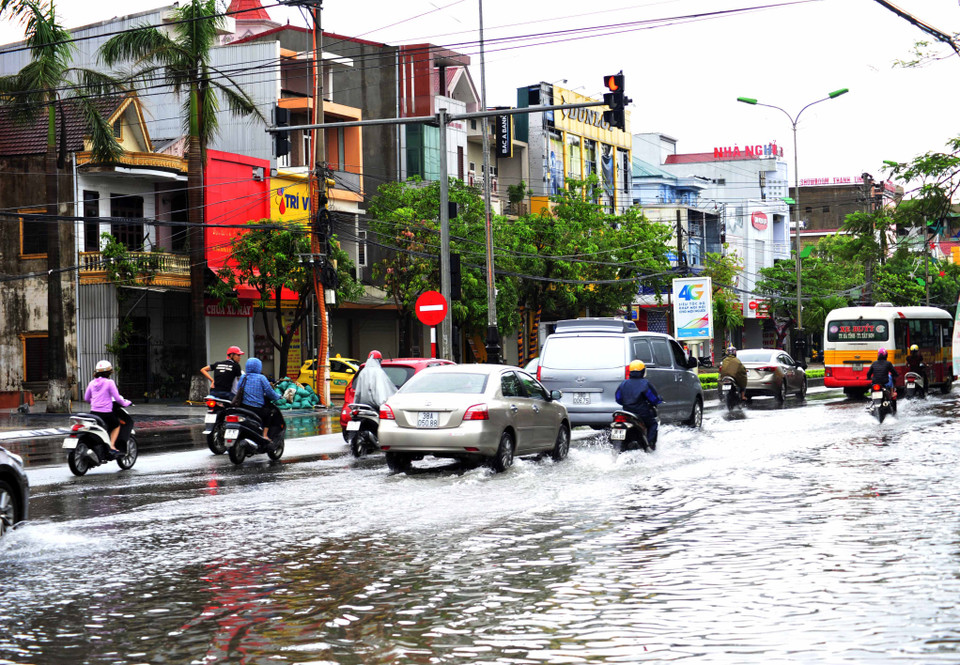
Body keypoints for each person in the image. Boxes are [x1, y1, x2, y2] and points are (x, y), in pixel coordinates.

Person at [83, 360, 132, 456]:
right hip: (106, 413)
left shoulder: (92, 383)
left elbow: (86, 398)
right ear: (109, 372)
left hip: (93, 413)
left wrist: (94, 403)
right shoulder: (110, 382)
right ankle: (112, 445)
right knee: (116, 425)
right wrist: (126, 403)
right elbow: (117, 398)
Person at [615, 360, 664, 446]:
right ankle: (649, 445)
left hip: (626, 412)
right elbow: (653, 399)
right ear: (643, 371)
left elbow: (618, 398)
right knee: (653, 424)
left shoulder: (623, 383)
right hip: (641, 412)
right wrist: (659, 399)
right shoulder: (645, 384)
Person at [235, 357, 282, 438]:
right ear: (258, 367)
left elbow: (238, 390)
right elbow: (270, 392)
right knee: (269, 413)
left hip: (243, 407)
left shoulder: (244, 377)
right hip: (257, 409)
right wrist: (278, 397)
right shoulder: (261, 378)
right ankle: (265, 435)